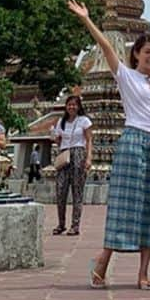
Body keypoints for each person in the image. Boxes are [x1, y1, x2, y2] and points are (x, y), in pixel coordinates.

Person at [67, 0, 150, 290]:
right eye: (147, 52)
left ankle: (143, 273)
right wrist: (87, 20)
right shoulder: (126, 77)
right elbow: (106, 47)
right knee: (125, 206)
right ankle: (102, 261)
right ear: (136, 55)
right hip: (133, 142)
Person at [51, 93, 93, 236]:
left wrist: (88, 158)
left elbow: (89, 140)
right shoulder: (61, 122)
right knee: (60, 190)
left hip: (78, 154)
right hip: (64, 155)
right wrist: (56, 138)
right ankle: (61, 224)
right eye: (69, 104)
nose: (71, 107)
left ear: (79, 106)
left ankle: (75, 225)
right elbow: (58, 140)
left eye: (74, 104)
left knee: (77, 191)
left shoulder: (84, 121)